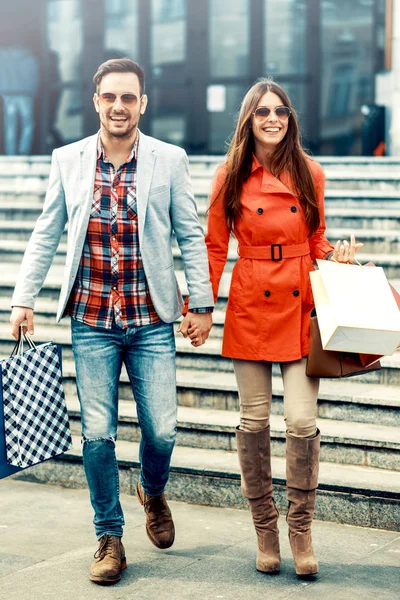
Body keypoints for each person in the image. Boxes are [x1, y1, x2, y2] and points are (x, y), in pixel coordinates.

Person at [10, 58, 213, 585]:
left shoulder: (169, 159)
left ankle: (152, 488)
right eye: (109, 97)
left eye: (129, 97)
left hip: (151, 320)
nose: (119, 106)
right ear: (96, 101)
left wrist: (203, 304)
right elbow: (46, 230)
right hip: (92, 320)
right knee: (97, 436)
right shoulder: (68, 159)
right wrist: (22, 299)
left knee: (162, 430)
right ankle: (109, 536)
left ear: (143, 103)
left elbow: (190, 235)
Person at [190, 79, 362, 577]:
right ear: (248, 118)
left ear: (290, 118)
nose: (272, 118)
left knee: (303, 422)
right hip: (251, 300)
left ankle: (300, 531)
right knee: (254, 421)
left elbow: (317, 235)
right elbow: (215, 247)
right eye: (263, 111)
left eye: (281, 111)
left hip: (299, 299)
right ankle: (265, 531)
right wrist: (200, 305)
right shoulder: (230, 175)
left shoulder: (311, 171)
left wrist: (337, 255)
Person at [0, 46, 39, 155]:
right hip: (25, 94)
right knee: (28, 124)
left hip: (8, 94)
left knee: (10, 125)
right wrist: (33, 93)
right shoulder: (29, 59)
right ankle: (24, 149)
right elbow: (33, 78)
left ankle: (10, 152)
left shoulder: (3, 58)